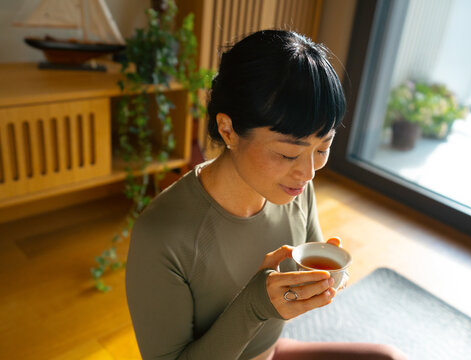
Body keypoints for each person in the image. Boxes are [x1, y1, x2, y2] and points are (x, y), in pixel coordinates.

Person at [125, 30, 406, 360]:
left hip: (270, 353)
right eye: (288, 154)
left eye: (324, 147)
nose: (308, 173)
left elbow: (306, 276)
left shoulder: (296, 188)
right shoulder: (160, 236)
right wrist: (255, 305)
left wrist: (324, 280)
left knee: (388, 358)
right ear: (228, 130)